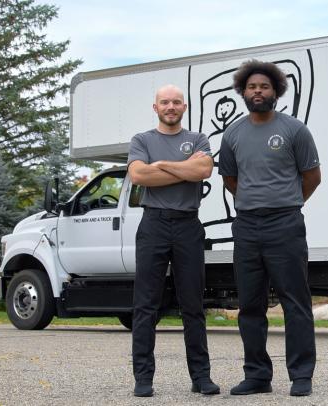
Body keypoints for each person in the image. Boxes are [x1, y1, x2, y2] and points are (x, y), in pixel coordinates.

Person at [219, 60, 321, 397]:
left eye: (264, 86)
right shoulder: (232, 133)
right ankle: (257, 375)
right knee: (250, 304)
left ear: (276, 91)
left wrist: (287, 202)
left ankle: (301, 374)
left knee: (295, 302)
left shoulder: (294, 130)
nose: (257, 91)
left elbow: (312, 177)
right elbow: (232, 180)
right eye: (252, 87)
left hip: (285, 224)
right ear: (242, 92)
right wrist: (255, 201)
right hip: (247, 226)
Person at [127, 84, 219, 397]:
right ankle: (143, 378)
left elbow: (204, 169)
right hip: (153, 224)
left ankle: (201, 377)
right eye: (165, 102)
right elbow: (139, 176)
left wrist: (162, 166)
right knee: (146, 305)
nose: (170, 106)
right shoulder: (142, 140)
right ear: (156, 108)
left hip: (188, 226)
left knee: (193, 305)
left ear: (184, 107)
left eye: (176, 102)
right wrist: (185, 170)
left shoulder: (198, 139)